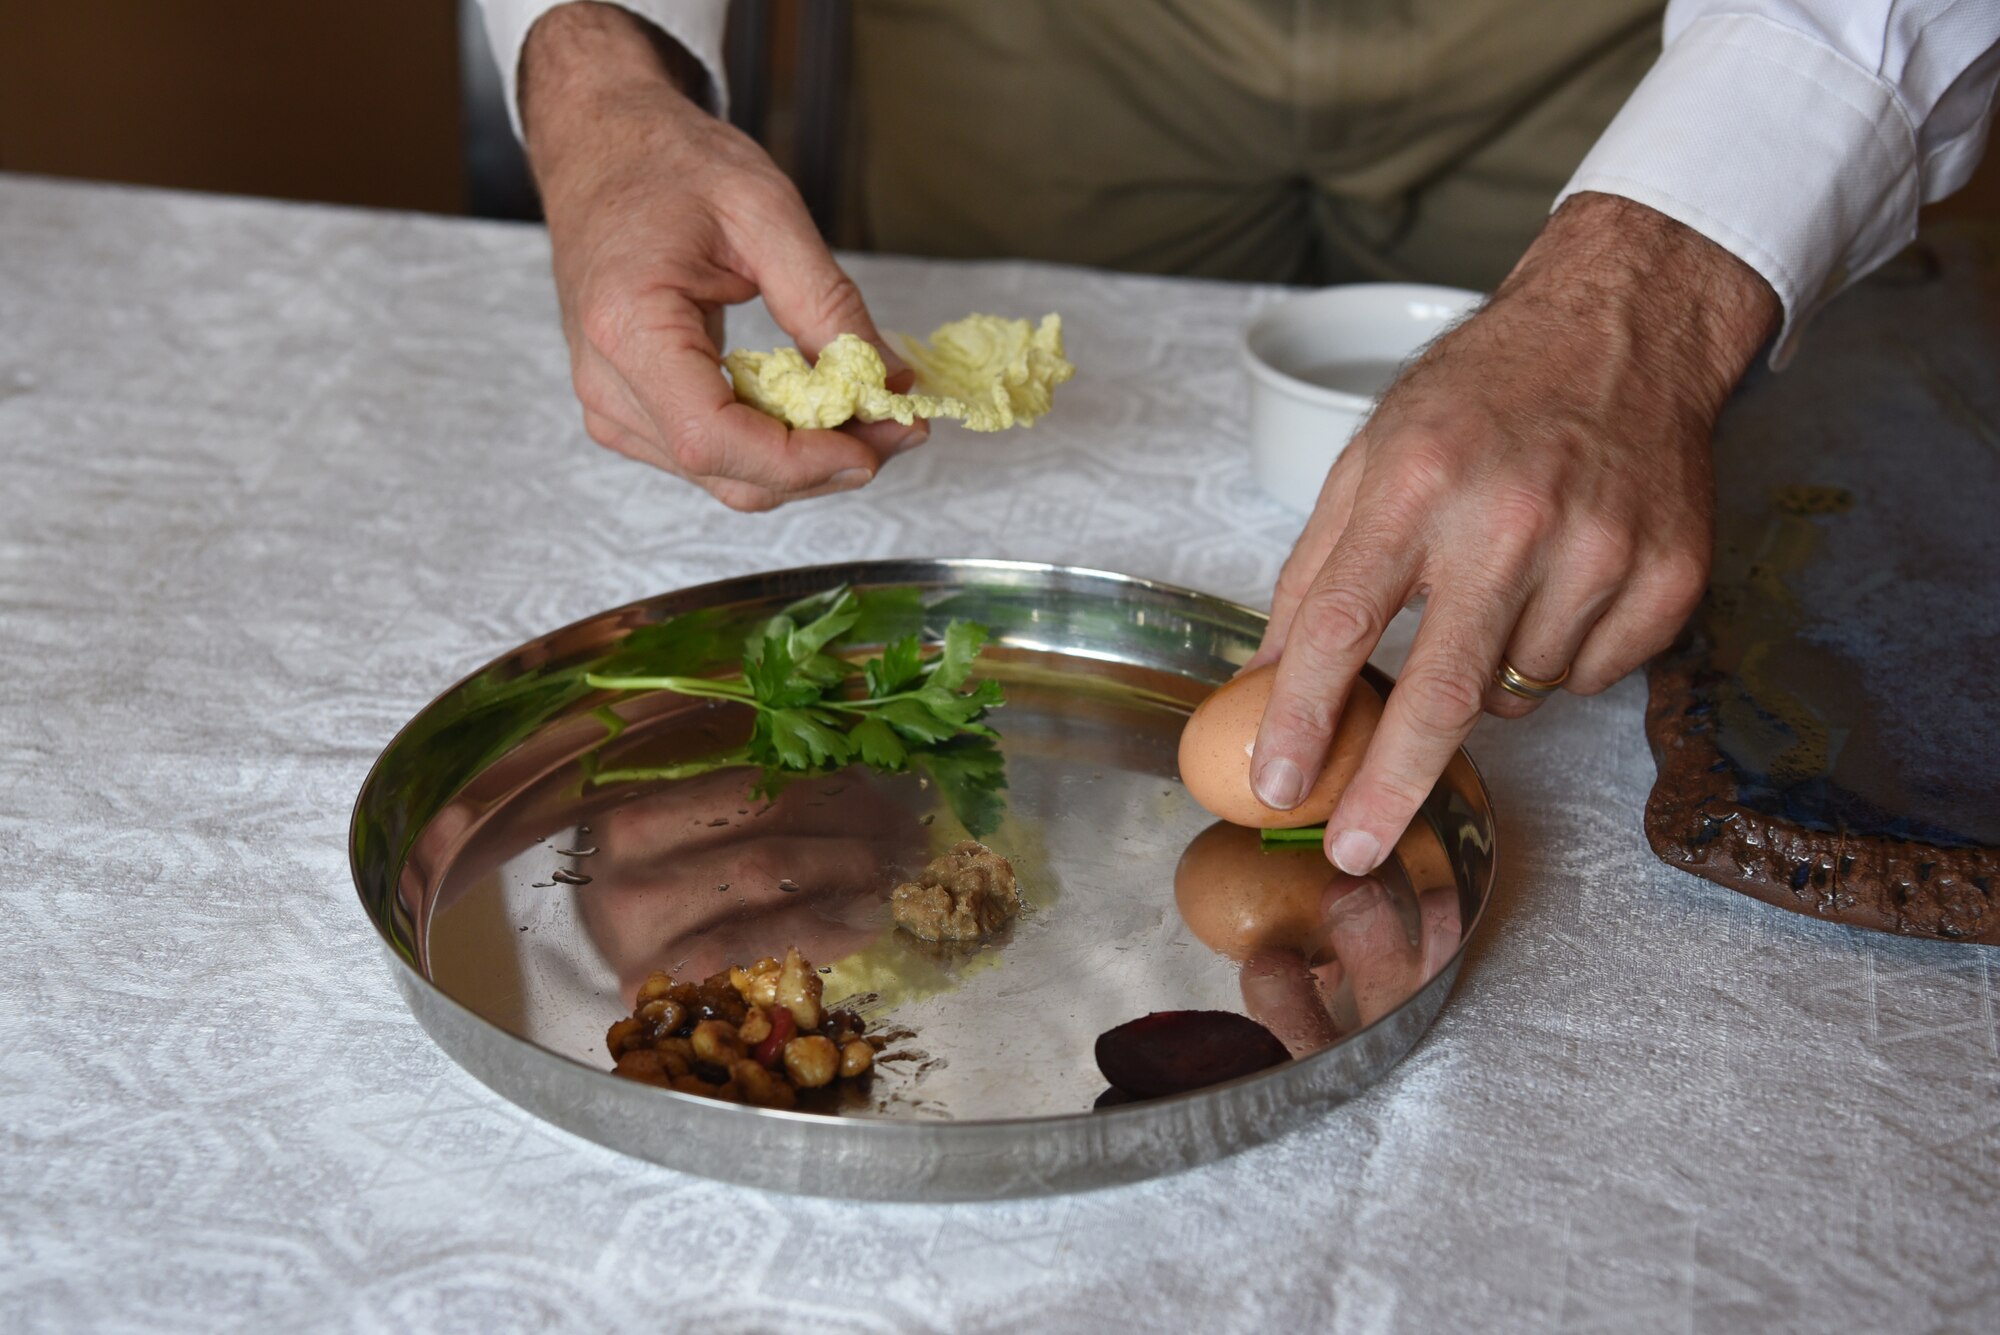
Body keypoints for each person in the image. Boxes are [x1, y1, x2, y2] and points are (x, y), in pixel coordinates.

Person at [475, 0, 2000, 874]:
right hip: (1044, 54)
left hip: (1613, 51)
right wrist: (595, 65)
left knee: (1571, 533)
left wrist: (1649, 291)